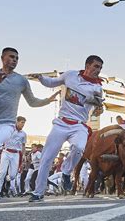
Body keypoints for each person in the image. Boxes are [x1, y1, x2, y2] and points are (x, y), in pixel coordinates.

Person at [0, 47, 59, 203]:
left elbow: (32, 102)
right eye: (11, 57)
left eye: (17, 58)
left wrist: (47, 101)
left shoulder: (21, 81)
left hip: (7, 124)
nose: (15, 60)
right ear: (3, 58)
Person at [28, 55, 104, 202]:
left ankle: (66, 172)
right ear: (87, 65)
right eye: (96, 66)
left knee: (79, 147)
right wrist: (41, 78)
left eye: (100, 68)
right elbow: (52, 82)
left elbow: (99, 107)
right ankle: (38, 192)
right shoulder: (70, 75)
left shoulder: (97, 87)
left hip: (79, 125)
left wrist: (98, 109)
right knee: (46, 158)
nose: (98, 70)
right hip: (61, 123)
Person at [0, 116, 27, 199]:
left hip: (16, 154)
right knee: (2, 172)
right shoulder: (10, 130)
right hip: (6, 152)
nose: (23, 124)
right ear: (17, 122)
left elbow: (23, 146)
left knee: (12, 175)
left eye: (24, 123)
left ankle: (7, 179)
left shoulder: (24, 134)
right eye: (21, 122)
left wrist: (23, 155)